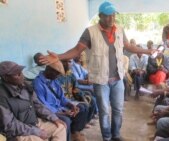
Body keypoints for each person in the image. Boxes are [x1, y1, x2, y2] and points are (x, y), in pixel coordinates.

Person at [39, 2, 155, 141]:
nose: (111, 19)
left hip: (117, 79)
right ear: (100, 16)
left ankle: (116, 135)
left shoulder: (119, 29)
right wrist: (58, 56)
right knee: (105, 111)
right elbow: (76, 50)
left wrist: (147, 51)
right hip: (101, 81)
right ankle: (106, 137)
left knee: (118, 109)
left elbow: (129, 46)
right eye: (107, 16)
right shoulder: (90, 32)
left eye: (113, 15)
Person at [0, 61, 66, 141]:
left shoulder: (25, 86)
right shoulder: (2, 96)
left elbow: (38, 105)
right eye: (17, 74)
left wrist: (54, 118)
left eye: (21, 72)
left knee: (60, 127)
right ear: (5, 77)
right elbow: (10, 125)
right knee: (37, 139)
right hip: (19, 132)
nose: (22, 75)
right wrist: (36, 131)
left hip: (35, 123)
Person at [33, 61, 90, 141]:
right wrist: (62, 113)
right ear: (49, 70)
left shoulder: (53, 80)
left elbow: (62, 98)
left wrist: (71, 105)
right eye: (57, 74)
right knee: (66, 120)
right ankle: (67, 138)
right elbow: (43, 106)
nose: (58, 76)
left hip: (61, 108)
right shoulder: (38, 83)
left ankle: (74, 133)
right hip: (51, 112)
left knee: (81, 107)